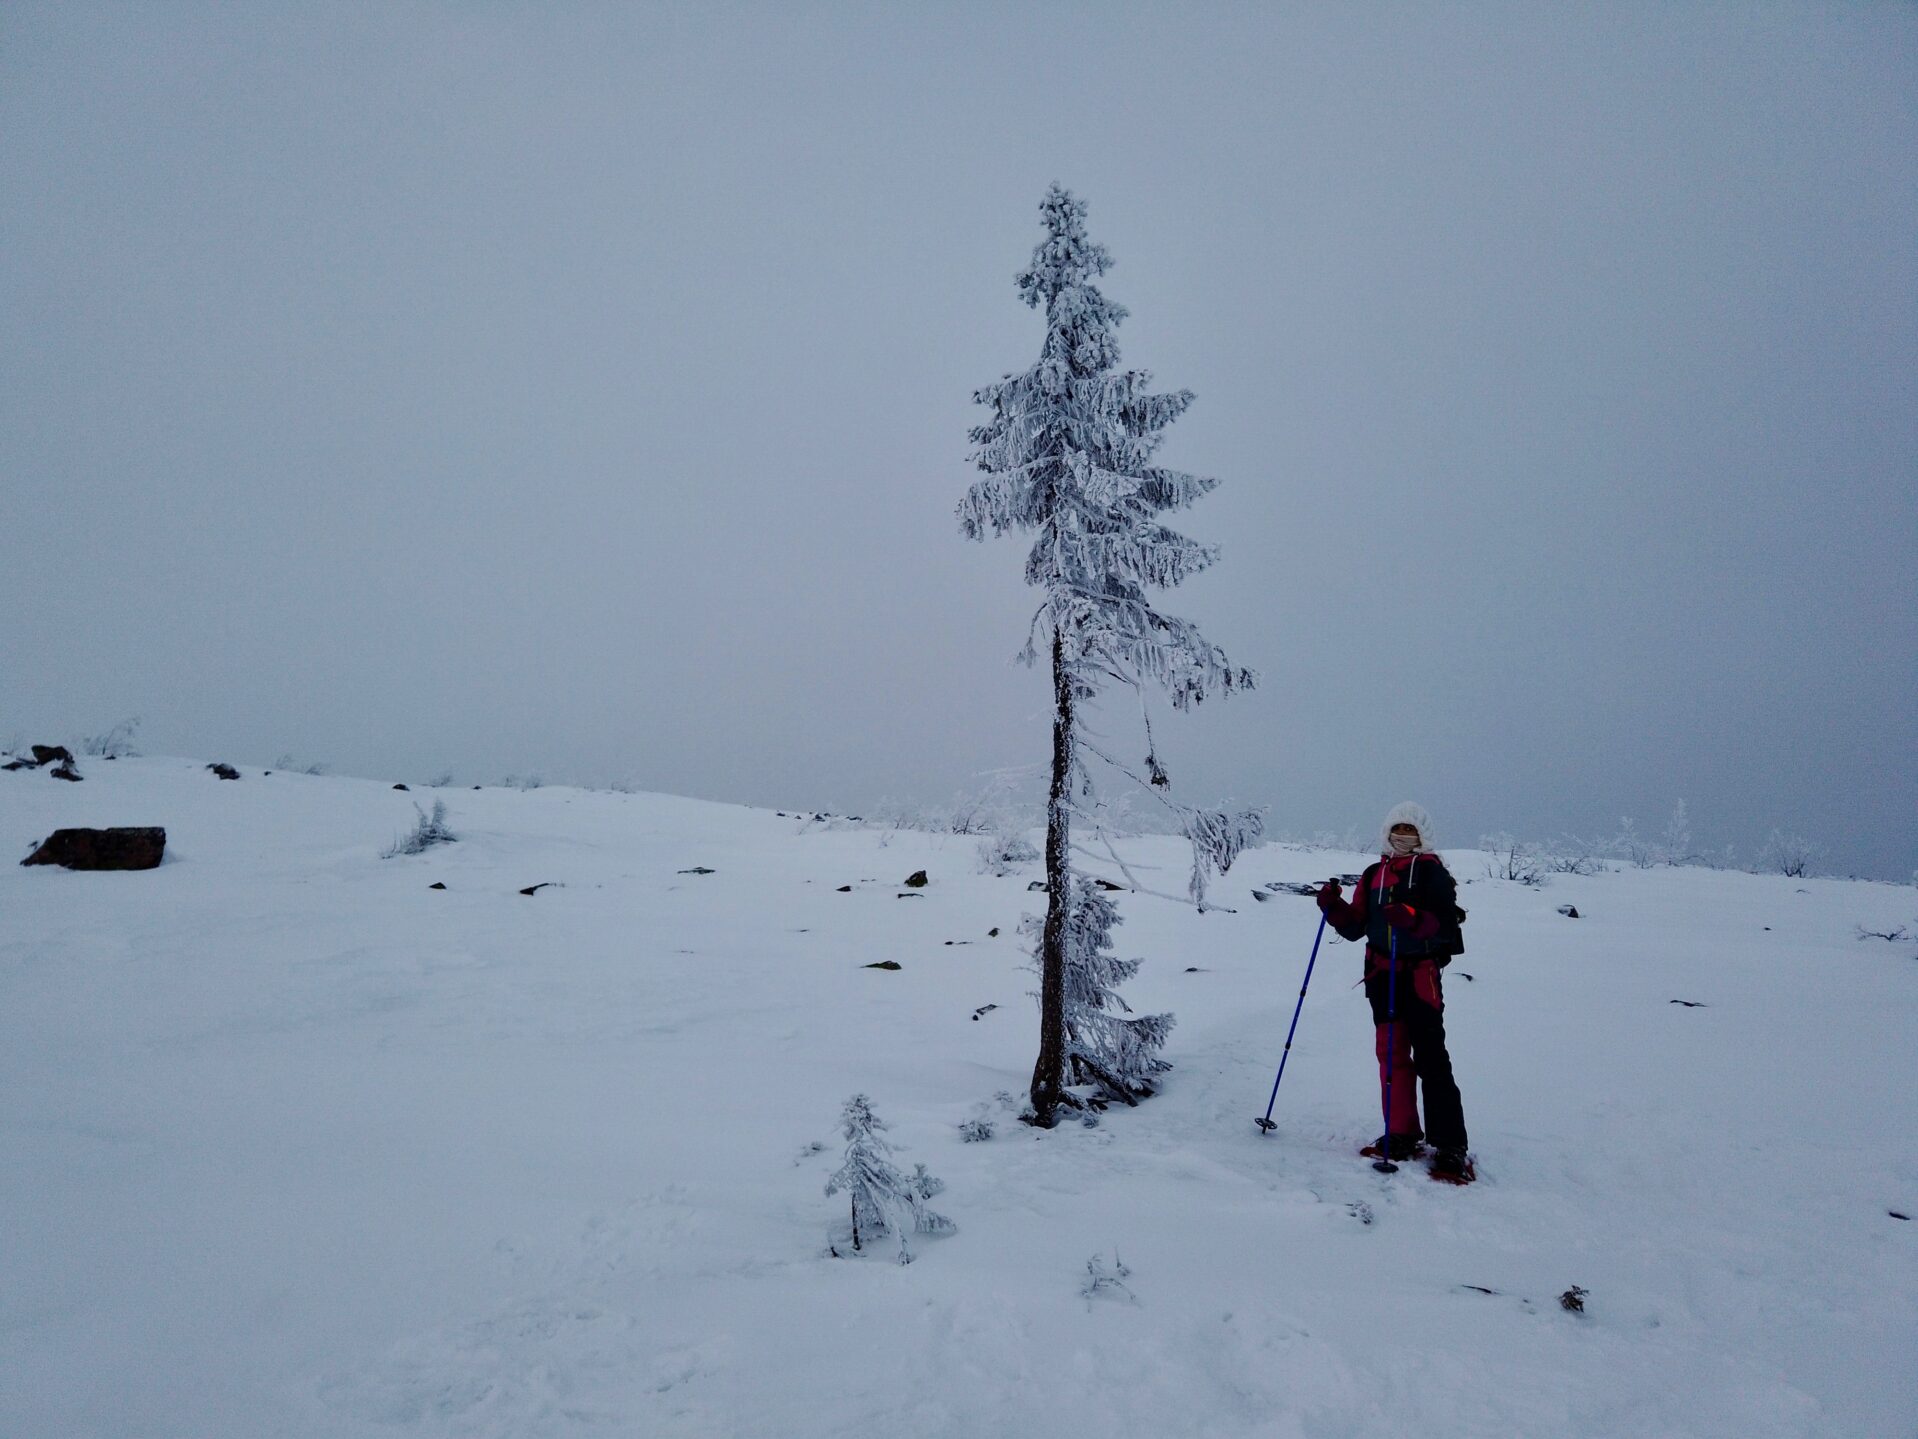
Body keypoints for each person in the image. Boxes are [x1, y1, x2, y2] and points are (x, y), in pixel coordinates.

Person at [1315, 802, 1474, 1183]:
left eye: (1411, 830)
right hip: (1381, 975)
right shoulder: (1374, 874)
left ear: (1423, 835)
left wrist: (1415, 919)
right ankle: (1401, 1134)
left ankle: (1450, 1146)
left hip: (1419, 977)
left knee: (1432, 1058)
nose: (1403, 836)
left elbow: (1447, 932)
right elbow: (1355, 928)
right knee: (1390, 1055)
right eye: (1397, 829)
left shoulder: (1433, 873)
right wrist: (1333, 907)